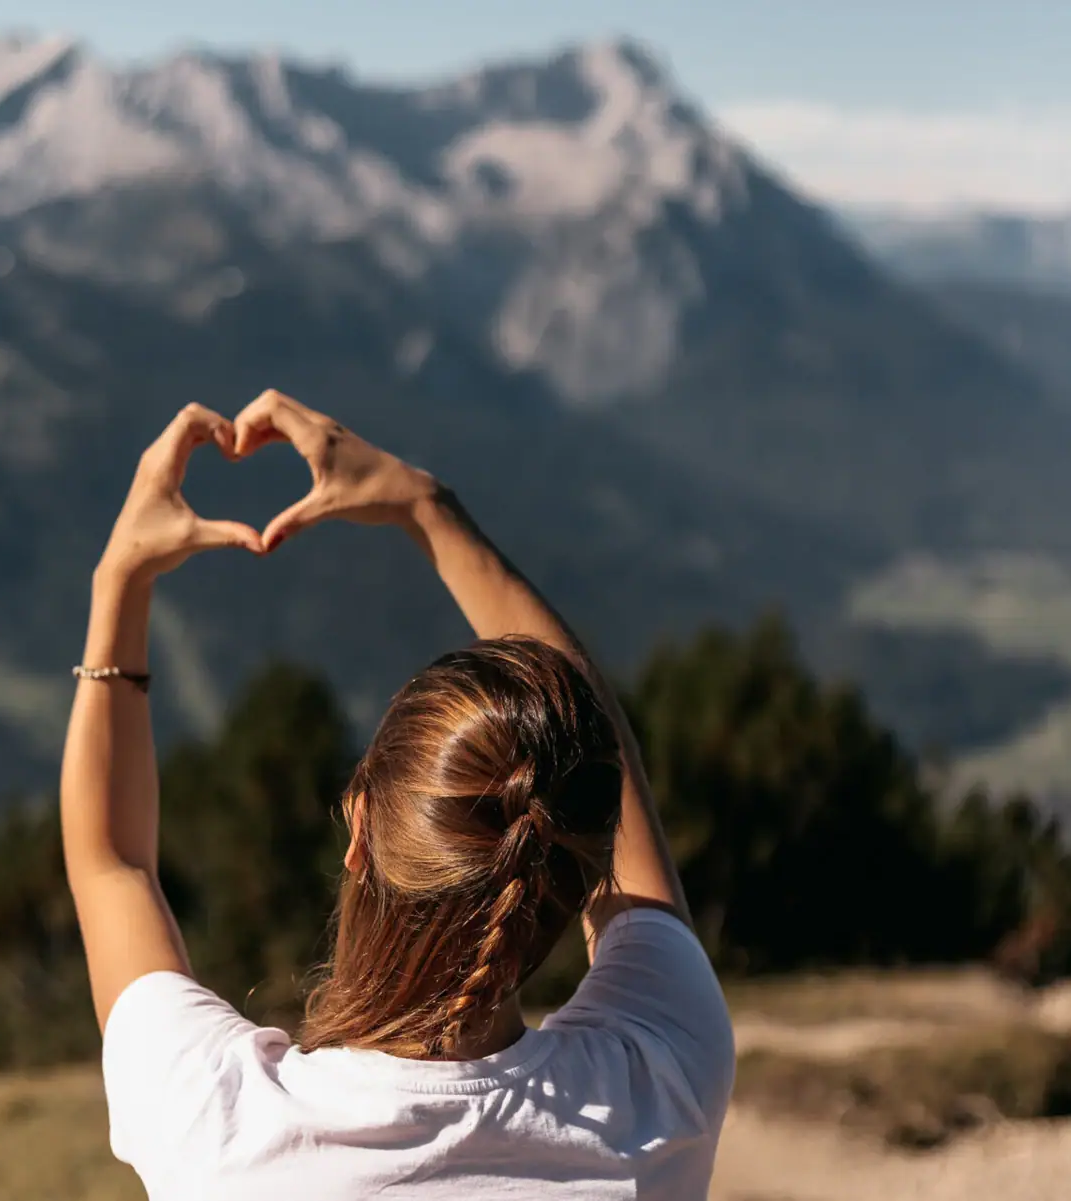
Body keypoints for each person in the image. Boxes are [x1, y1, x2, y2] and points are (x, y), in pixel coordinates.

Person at [60, 391, 736, 1200]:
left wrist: (120, 578)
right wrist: (429, 507)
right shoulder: (657, 1085)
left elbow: (111, 864)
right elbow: (600, 764)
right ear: (574, 873)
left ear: (359, 838)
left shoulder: (223, 1131)